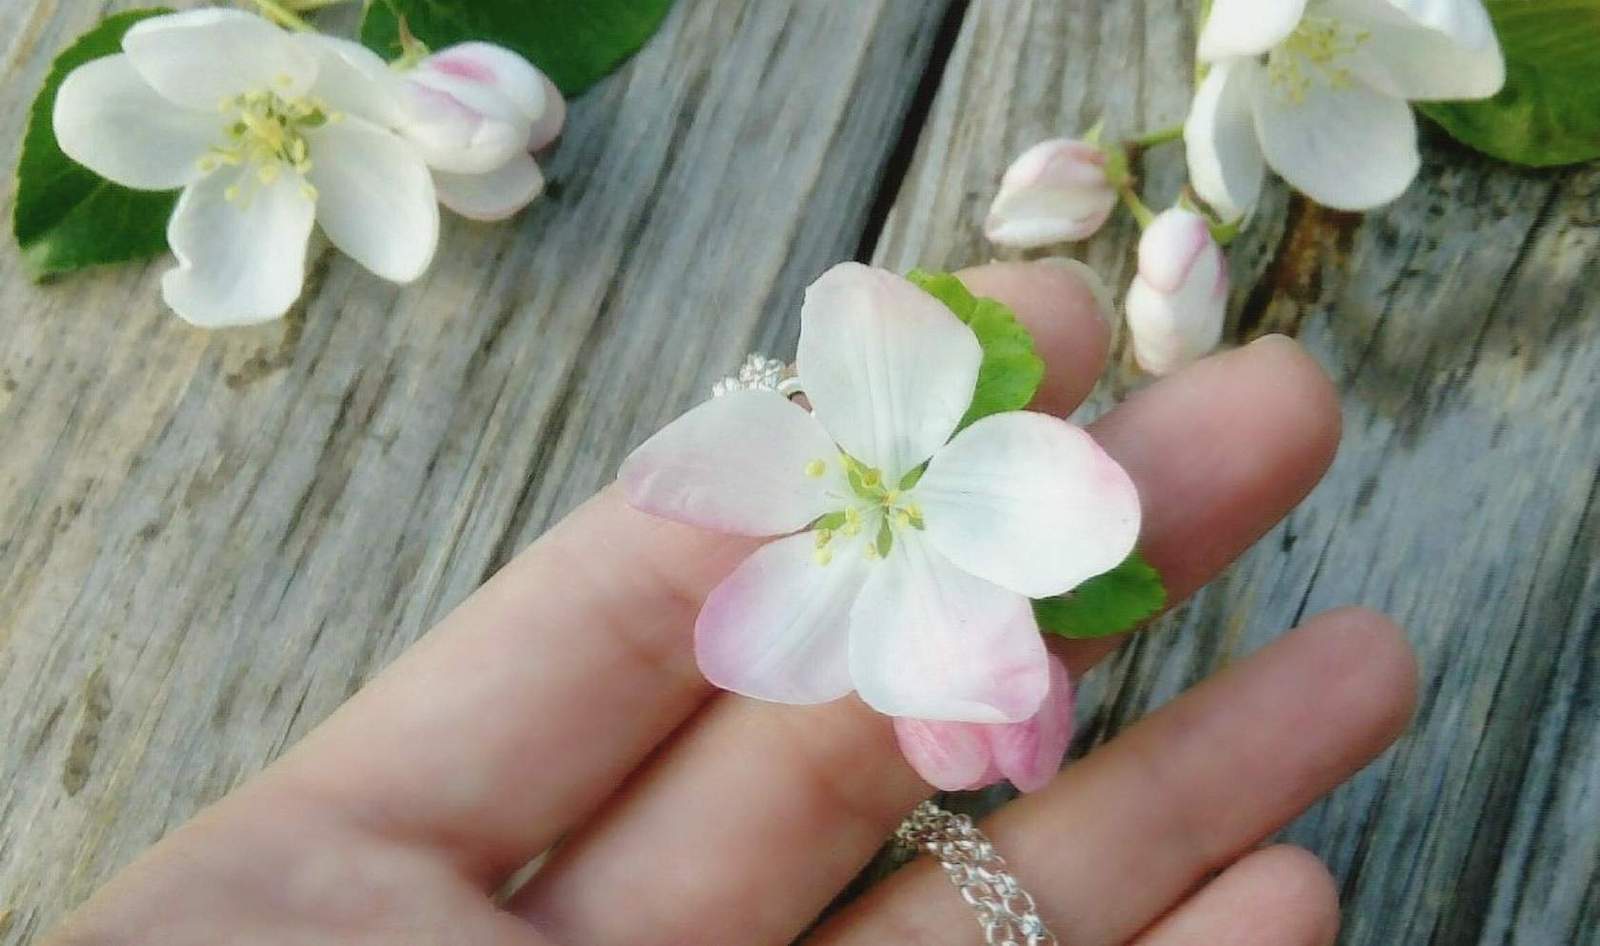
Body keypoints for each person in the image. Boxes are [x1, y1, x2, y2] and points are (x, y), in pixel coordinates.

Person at [37, 262, 1416, 946]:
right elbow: (765, 612)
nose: (864, 503)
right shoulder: (792, 540)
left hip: (975, 543)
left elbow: (1042, 506)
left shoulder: (986, 490)